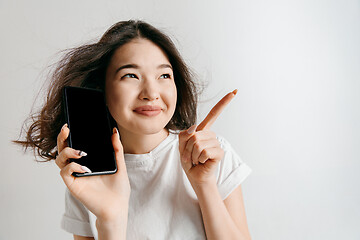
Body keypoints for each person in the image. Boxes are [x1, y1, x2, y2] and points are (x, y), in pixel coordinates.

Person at [16, 20, 252, 240]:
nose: (151, 92)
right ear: (101, 89)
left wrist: (204, 184)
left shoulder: (212, 155)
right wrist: (111, 220)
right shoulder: (86, 173)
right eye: (131, 75)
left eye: (164, 75)